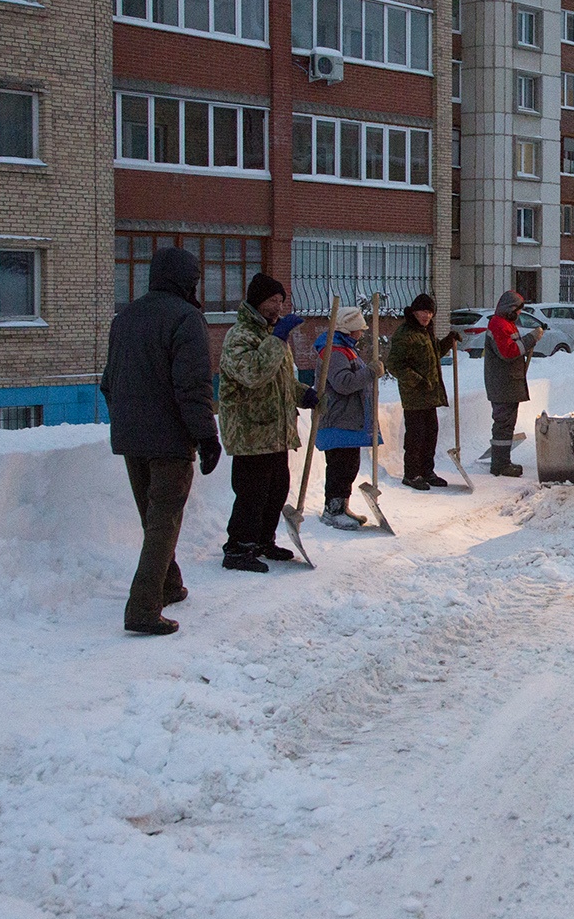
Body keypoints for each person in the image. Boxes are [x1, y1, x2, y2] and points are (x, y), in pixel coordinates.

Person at [100, 245, 221, 636]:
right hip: (168, 438)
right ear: (187, 279)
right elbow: (192, 387)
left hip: (129, 435)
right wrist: (206, 436)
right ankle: (142, 607)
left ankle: (168, 584)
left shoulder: (125, 317)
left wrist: (127, 419)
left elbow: (108, 382)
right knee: (164, 520)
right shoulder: (186, 318)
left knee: (152, 518)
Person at [217, 273, 318, 572]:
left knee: (276, 488)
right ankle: (238, 548)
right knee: (252, 492)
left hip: (275, 429)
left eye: (280, 301)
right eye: (272, 301)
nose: (277, 307)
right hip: (250, 430)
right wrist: (277, 339)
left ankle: (262, 540)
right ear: (256, 301)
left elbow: (280, 381)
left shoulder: (273, 336)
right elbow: (253, 374)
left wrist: (305, 395)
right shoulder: (240, 336)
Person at [313, 306, 382, 530]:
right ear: (348, 330)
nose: (361, 334)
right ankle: (332, 509)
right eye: (358, 330)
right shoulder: (334, 352)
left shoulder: (345, 350)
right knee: (340, 467)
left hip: (348, 420)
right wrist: (370, 372)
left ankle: (341, 506)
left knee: (349, 465)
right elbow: (343, 383)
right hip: (338, 420)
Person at [386, 293, 459, 490]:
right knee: (416, 436)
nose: (426, 316)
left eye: (429, 312)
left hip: (429, 394)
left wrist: (448, 341)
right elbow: (394, 364)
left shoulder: (425, 332)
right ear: (414, 312)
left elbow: (434, 354)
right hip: (414, 395)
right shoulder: (406, 334)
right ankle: (411, 474)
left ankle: (427, 471)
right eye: (422, 312)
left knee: (431, 433)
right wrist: (416, 380)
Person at [482, 290, 542, 477]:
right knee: (503, 423)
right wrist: (532, 338)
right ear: (510, 309)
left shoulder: (506, 324)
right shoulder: (499, 325)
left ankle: (502, 461)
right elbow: (509, 352)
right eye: (517, 311)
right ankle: (500, 465)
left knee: (506, 424)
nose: (519, 315)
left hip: (507, 383)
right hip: (503, 384)